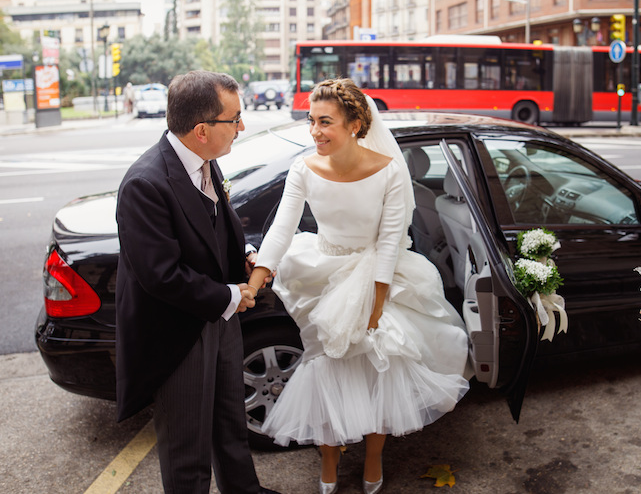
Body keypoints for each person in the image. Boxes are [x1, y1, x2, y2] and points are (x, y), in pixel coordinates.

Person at [247, 78, 470, 494]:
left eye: (325, 122)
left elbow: (389, 240)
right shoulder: (303, 168)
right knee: (326, 370)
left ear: (354, 124)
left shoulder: (388, 171)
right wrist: (256, 280)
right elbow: (281, 230)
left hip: (379, 277)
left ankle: (372, 458)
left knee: (377, 375)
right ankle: (329, 461)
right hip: (324, 277)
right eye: (311, 121)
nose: (314, 131)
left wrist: (377, 303)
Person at [115, 70, 279, 494]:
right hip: (177, 332)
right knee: (187, 447)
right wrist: (230, 294)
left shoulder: (205, 160)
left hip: (218, 318)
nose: (242, 128)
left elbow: (216, 228)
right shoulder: (144, 184)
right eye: (235, 119)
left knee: (230, 423)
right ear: (203, 129)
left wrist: (242, 256)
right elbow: (161, 275)